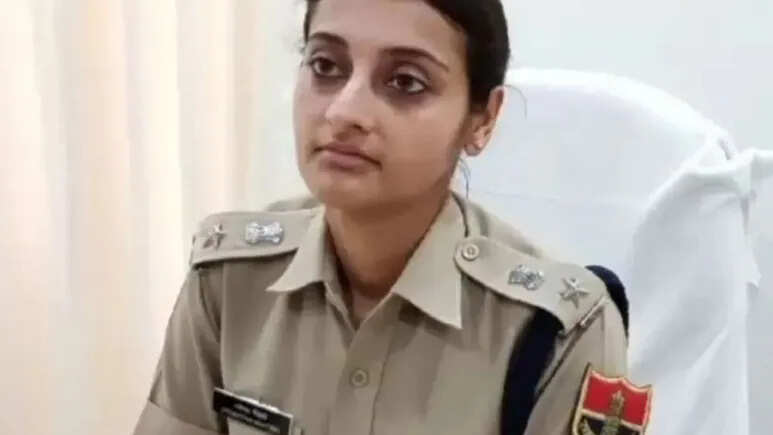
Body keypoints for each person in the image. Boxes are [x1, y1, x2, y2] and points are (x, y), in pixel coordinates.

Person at [133, 0, 652, 434]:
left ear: (483, 120)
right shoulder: (229, 276)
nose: (343, 112)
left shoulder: (561, 330)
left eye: (405, 82)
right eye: (325, 67)